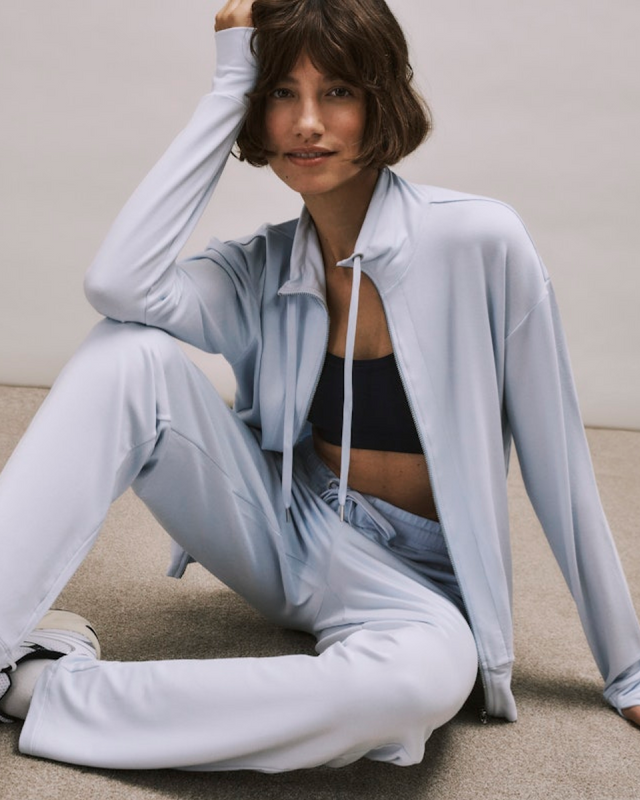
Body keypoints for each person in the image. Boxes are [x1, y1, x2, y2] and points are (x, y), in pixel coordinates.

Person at [1, 0, 639, 772]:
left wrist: (627, 668)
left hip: (418, 589)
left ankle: (39, 687)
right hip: (285, 530)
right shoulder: (260, 267)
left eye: (336, 91)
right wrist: (227, 83)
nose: (306, 122)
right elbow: (118, 283)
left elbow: (561, 466)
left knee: (402, 697)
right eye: (280, 93)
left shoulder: (480, 244)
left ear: (380, 102)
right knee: (124, 355)